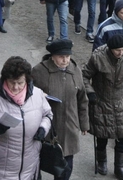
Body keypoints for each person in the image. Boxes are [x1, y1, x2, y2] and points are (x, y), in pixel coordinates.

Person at [0, 56, 52, 179]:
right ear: (5, 79)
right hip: (0, 170)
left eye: (20, 83)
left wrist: (43, 128)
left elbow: (48, 114)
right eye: (11, 82)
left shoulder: (38, 94)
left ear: (27, 80)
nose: (15, 87)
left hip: (29, 167)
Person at [82, 34, 123, 180]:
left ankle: (119, 167)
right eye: (117, 50)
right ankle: (101, 161)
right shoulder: (97, 57)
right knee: (102, 135)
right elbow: (84, 76)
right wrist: (91, 93)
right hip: (101, 101)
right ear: (110, 49)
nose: (120, 53)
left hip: (121, 101)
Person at [31, 40, 89, 180]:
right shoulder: (39, 71)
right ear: (52, 56)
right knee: (38, 160)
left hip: (70, 125)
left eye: (68, 56)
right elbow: (27, 95)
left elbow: (82, 99)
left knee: (66, 165)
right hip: (46, 125)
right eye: (61, 57)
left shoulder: (75, 71)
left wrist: (84, 123)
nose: (65, 60)